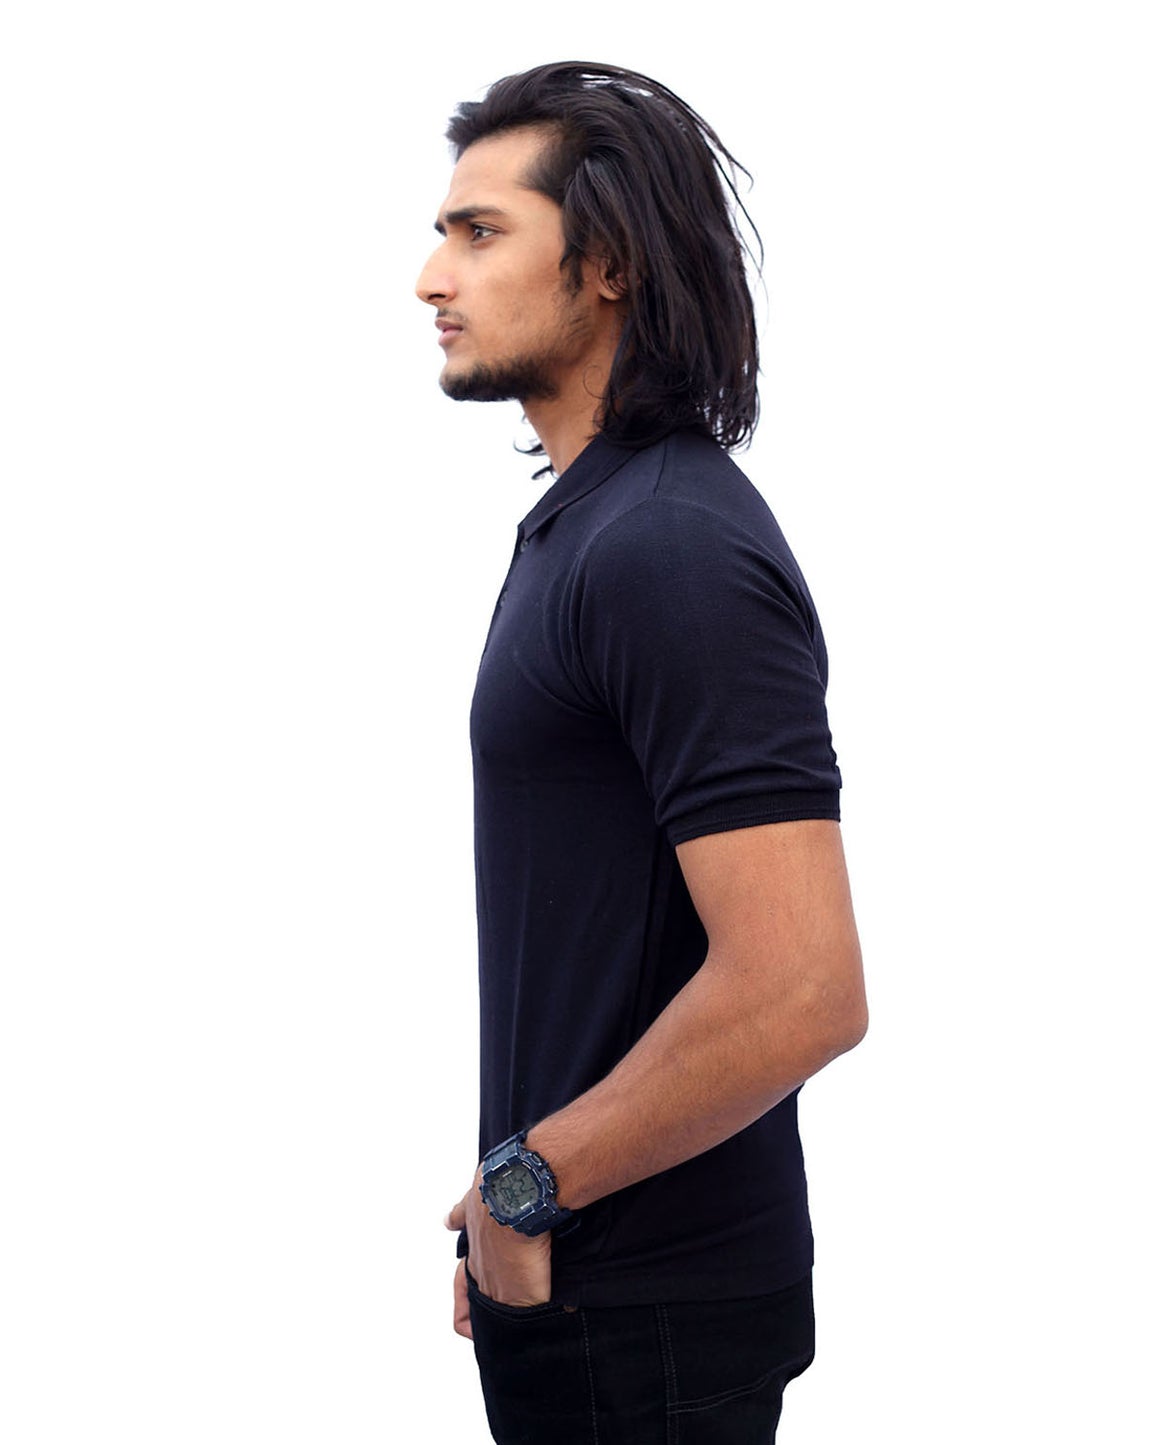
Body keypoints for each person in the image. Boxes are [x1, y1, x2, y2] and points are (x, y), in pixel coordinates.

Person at [415, 62, 868, 1443]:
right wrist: (514, 1214)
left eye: (480, 232)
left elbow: (803, 986)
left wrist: (530, 1185)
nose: (431, 278)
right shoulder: (594, 525)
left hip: (650, 1316)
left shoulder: (665, 548)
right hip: (592, 1296)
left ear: (606, 264)